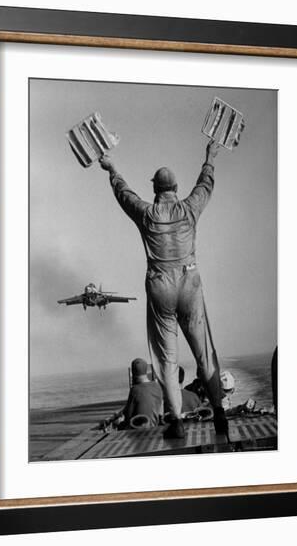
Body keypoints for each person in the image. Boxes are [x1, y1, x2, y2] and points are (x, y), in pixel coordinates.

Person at [99, 140, 228, 439]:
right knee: (204, 354)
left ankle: (178, 422)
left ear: (155, 189)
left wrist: (112, 168)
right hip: (189, 282)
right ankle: (220, 413)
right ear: (175, 188)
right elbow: (205, 185)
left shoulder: (146, 214)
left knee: (168, 360)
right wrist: (209, 156)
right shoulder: (189, 209)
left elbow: (124, 194)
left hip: (160, 287)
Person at [122, 358, 163, 429]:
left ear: (133, 372)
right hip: (155, 427)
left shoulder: (135, 390)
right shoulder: (157, 386)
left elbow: (128, 415)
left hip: (138, 429)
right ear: (146, 371)